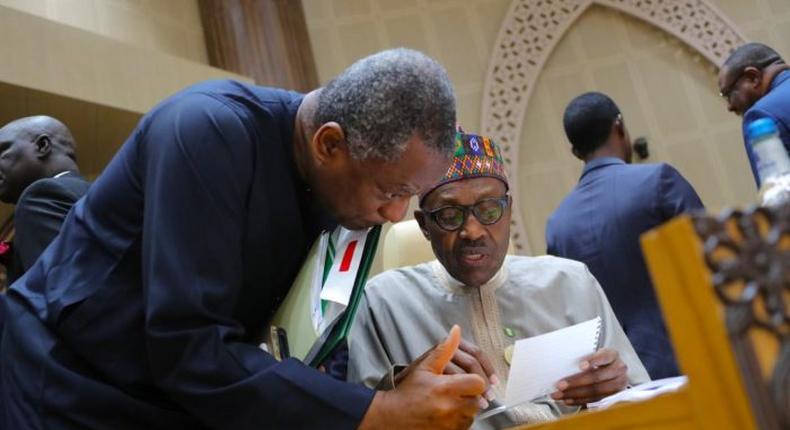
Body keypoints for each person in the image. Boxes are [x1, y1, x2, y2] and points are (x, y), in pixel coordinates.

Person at [1, 49, 489, 430]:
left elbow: (283, 340)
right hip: (66, 382)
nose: (395, 214)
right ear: (329, 144)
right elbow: (187, 346)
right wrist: (377, 413)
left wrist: (392, 393)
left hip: (166, 394)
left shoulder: (337, 186)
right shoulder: (205, 129)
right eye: (391, 191)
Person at [347, 131, 649, 429]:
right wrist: (406, 388)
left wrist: (616, 388)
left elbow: (646, 402)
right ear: (425, 225)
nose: (473, 231)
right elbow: (366, 418)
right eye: (451, 216)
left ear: (508, 210)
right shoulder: (382, 304)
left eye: (489, 209)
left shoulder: (570, 282)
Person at [546, 92, 704, 380]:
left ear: (576, 153)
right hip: (695, 357)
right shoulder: (659, 181)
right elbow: (711, 261)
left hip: (620, 382)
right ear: (619, 126)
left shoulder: (558, 225)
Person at [0, 116, 90, 282]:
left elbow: (58, 292)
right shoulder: (90, 195)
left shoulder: (41, 197)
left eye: (2, 152)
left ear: (42, 146)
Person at [717, 42, 790, 186]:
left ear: (753, 77)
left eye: (728, 94)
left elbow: (780, 199)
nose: (730, 107)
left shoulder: (761, 115)